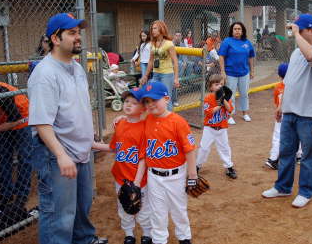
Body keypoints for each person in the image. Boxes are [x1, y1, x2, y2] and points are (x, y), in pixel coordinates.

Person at [27, 13, 107, 244]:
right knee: (58, 215)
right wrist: (61, 156)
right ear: (56, 38)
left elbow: (76, 112)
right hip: (56, 154)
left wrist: (93, 143)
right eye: (72, 33)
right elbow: (42, 123)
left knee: (82, 206)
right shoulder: (45, 74)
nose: (78, 37)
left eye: (78, 32)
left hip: (79, 151)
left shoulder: (77, 68)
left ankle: (84, 239)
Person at [261, 14, 312, 208]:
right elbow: (289, 82)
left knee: (308, 156)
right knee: (286, 152)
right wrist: (281, 106)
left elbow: (311, 56)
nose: (295, 33)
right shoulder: (295, 53)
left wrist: (296, 34)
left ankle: (307, 191)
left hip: (309, 114)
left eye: (300, 30)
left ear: (311, 30)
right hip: (290, 112)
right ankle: (282, 187)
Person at [92, 88, 152, 244]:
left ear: (143, 108)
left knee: (142, 207)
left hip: (140, 179)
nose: (128, 105)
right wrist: (94, 145)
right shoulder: (120, 124)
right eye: (126, 101)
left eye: (134, 103)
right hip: (120, 177)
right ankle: (129, 234)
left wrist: (137, 183)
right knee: (124, 205)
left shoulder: (146, 127)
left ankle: (146, 233)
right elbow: (113, 148)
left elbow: (143, 159)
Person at [141, 81, 197, 244]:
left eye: (154, 100)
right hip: (154, 176)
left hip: (176, 176)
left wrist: (192, 175)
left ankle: (184, 237)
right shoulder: (147, 120)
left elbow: (189, 149)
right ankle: (159, 239)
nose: (150, 104)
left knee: (179, 210)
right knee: (157, 212)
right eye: (147, 101)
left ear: (166, 99)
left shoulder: (178, 121)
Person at [0, 82, 32, 217]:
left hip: (22, 118)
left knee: (24, 157)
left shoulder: (0, 92)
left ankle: (21, 195)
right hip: (2, 121)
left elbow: (16, 119)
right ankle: (6, 194)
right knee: (2, 157)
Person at [196, 74, 237, 179]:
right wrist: (219, 104)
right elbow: (209, 113)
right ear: (211, 87)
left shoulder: (225, 98)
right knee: (204, 148)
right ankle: (197, 166)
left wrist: (223, 100)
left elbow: (230, 110)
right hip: (209, 128)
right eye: (217, 84)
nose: (220, 86)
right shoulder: (208, 98)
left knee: (224, 148)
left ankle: (229, 167)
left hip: (222, 128)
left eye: (222, 84)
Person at [264, 63, 302, 170]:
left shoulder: (278, 87)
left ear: (279, 75)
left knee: (278, 136)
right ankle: (299, 156)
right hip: (296, 113)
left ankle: (273, 159)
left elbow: (277, 104)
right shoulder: (297, 85)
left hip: (281, 114)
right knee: (298, 133)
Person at [218, 21, 255, 125]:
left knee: (244, 94)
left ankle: (245, 113)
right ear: (232, 31)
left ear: (242, 31)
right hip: (230, 73)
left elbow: (251, 57)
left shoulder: (247, 43)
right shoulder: (227, 41)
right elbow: (221, 56)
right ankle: (229, 115)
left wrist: (252, 71)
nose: (237, 31)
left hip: (244, 73)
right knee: (230, 95)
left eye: (239, 29)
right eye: (235, 29)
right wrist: (223, 71)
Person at [139, 20, 179, 111]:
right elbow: (150, 61)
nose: (153, 30)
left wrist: (176, 78)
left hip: (167, 74)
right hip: (156, 73)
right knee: (154, 95)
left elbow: (175, 62)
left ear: (161, 29)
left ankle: (169, 122)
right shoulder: (153, 43)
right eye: (152, 28)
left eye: (155, 28)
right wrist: (145, 75)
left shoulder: (169, 44)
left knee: (166, 98)